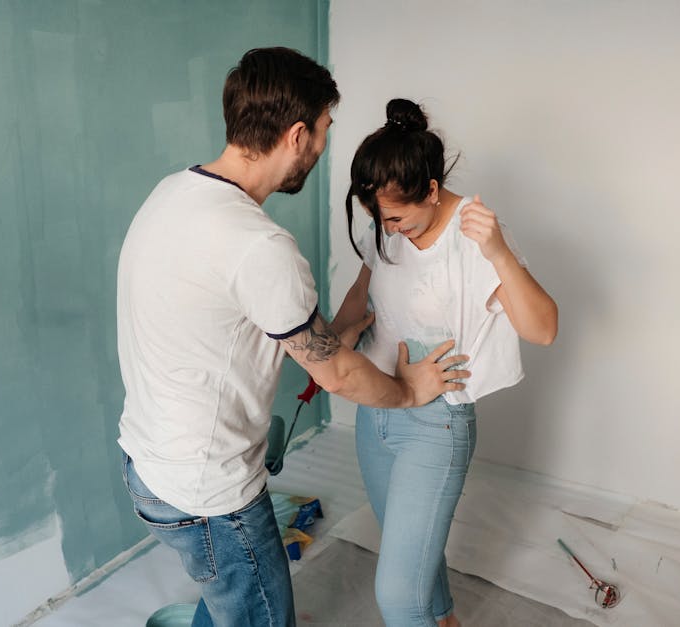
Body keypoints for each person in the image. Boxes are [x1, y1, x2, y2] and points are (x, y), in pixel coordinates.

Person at [116, 51, 471, 627]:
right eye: (325, 129)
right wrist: (409, 390)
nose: (325, 145)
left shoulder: (172, 193)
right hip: (212, 495)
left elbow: (227, 323)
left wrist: (333, 337)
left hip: (147, 466)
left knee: (224, 598)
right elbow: (337, 374)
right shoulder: (259, 246)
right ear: (298, 135)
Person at [331, 98, 558, 627]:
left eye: (397, 218)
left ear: (431, 191)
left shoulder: (473, 238)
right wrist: (332, 351)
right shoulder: (387, 229)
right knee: (414, 559)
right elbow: (360, 295)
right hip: (374, 413)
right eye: (378, 219)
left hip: (435, 426)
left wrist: (499, 252)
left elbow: (544, 329)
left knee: (398, 598)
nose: (388, 230)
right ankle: (447, 619)